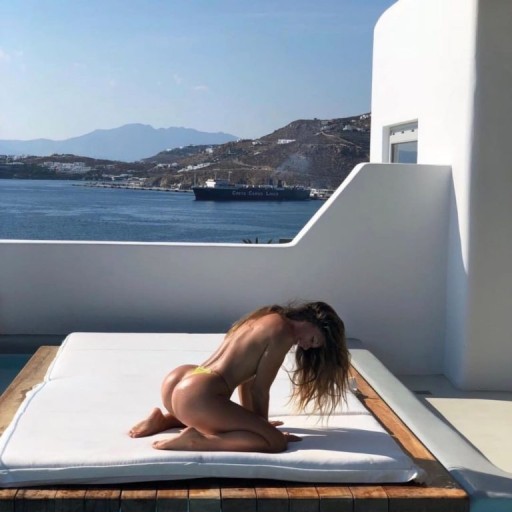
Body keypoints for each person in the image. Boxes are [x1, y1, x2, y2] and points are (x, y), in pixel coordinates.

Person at [129, 301, 349, 453]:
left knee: (224, 419)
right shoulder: (284, 333)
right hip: (198, 395)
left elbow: (247, 381)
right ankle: (198, 440)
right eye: (313, 340)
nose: (306, 347)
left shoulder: (266, 315)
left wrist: (254, 421)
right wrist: (265, 430)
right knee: (275, 443)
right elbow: (259, 390)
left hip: (183, 378)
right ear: (313, 321)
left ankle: (165, 420)